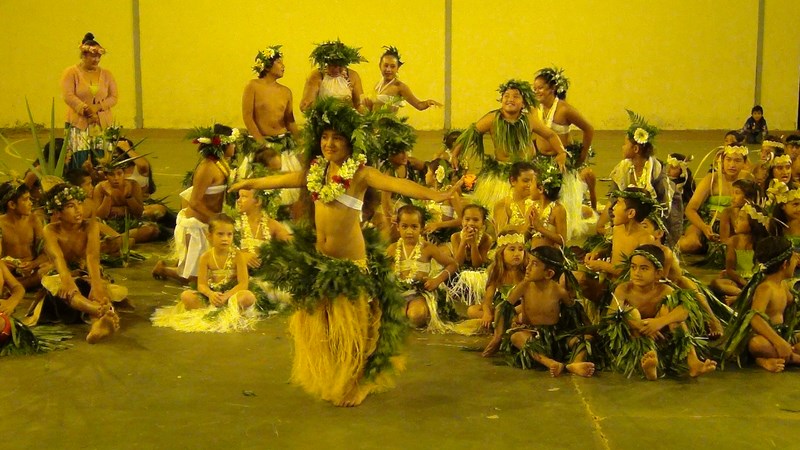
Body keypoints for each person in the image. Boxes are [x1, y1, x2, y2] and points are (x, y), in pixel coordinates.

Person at [229, 98, 461, 407]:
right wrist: (252, 182)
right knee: (327, 328)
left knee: (358, 330)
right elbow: (286, 178)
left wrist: (436, 193)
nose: (329, 143)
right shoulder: (317, 171)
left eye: (337, 138)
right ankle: (340, 375)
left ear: (350, 142)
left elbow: (399, 184)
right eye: (325, 137)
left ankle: (360, 382)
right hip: (323, 262)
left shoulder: (360, 174)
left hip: (352, 264)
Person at [603, 245, 717, 380]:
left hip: (661, 339)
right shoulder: (624, 289)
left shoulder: (665, 290)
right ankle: (648, 364)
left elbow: (684, 311)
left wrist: (659, 322)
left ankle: (693, 361)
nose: (637, 272)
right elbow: (612, 315)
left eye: (644, 268)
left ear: (658, 273)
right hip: (634, 339)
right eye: (633, 267)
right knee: (630, 312)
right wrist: (640, 325)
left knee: (672, 314)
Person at [450, 80, 567, 210]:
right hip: (501, 176)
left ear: (523, 103)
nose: (510, 99)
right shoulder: (492, 119)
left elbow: (550, 135)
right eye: (506, 96)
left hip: (527, 172)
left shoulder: (529, 120)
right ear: (501, 100)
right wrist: (455, 154)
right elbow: (469, 134)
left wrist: (561, 152)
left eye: (516, 96)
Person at [483, 245, 595, 377]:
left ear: (549, 273)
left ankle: (575, 363)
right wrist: (497, 336)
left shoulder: (559, 291)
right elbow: (504, 307)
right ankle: (550, 363)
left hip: (556, 337)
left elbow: (576, 312)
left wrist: (591, 331)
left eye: (534, 264)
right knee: (516, 337)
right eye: (529, 261)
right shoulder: (524, 286)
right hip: (532, 334)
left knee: (586, 338)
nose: (528, 267)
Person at [35, 184, 126, 343]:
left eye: (79, 204)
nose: (78, 210)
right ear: (57, 212)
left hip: (87, 270)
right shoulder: (50, 230)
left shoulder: (91, 225)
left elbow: (92, 256)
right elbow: (58, 259)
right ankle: (99, 312)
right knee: (68, 291)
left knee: (99, 289)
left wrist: (96, 284)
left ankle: (97, 325)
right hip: (60, 272)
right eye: (71, 206)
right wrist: (67, 279)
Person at [152, 125, 237, 282]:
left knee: (214, 273)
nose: (235, 147)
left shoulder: (221, 163)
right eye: (233, 143)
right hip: (196, 225)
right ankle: (163, 270)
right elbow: (195, 202)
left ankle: (179, 265)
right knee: (195, 279)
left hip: (208, 222)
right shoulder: (207, 168)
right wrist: (216, 219)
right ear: (223, 144)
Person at [152, 214, 259, 333]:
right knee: (186, 296)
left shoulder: (238, 256)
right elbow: (201, 285)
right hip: (212, 295)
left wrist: (227, 296)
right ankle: (212, 310)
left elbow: (243, 283)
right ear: (209, 236)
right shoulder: (206, 257)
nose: (225, 238)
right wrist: (211, 295)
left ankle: (227, 310)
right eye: (220, 234)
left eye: (229, 234)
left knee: (248, 297)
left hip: (231, 295)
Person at [722, 236, 800, 372]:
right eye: (795, 260)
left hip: (783, 335)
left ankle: (783, 356)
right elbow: (755, 318)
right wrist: (778, 342)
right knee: (756, 344)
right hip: (766, 338)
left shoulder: (783, 285)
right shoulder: (766, 288)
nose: (797, 262)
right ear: (784, 264)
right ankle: (781, 359)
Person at [241, 45, 302, 207]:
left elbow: (290, 120)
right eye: (280, 63)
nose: (284, 66)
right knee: (260, 190)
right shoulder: (253, 86)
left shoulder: (286, 91)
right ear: (267, 65)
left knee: (287, 190)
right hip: (261, 145)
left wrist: (301, 141)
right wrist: (262, 143)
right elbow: (248, 117)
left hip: (283, 144)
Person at [533, 67, 598, 214]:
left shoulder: (564, 109)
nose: (536, 91)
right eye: (534, 88)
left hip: (561, 160)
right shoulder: (535, 109)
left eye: (540, 88)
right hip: (540, 159)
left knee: (562, 199)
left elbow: (589, 129)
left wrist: (583, 153)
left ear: (552, 88)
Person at [387, 205, 457, 330]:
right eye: (404, 226)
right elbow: (382, 271)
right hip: (398, 293)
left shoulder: (427, 248)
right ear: (398, 227)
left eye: (414, 227)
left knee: (415, 316)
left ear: (421, 228)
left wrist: (436, 281)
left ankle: (425, 312)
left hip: (419, 293)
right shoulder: (392, 249)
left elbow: (453, 265)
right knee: (398, 316)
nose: (409, 231)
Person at [61, 33, 118, 170]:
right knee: (79, 160)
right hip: (78, 123)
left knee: (102, 161)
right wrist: (85, 109)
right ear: (84, 55)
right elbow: (68, 95)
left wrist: (97, 107)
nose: (96, 59)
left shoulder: (107, 74)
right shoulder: (71, 73)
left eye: (99, 56)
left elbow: (113, 97)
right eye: (93, 56)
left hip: (101, 124)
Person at [678, 145, 748, 254]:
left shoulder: (748, 179)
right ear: (722, 161)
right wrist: (704, 227)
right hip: (706, 221)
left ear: (744, 163)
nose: (732, 165)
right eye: (728, 160)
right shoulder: (711, 179)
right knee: (690, 244)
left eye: (737, 160)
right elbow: (690, 209)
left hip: (734, 224)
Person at [711, 203, 769, 304]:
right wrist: (743, 282)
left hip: (758, 280)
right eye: (737, 218)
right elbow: (730, 269)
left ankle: (742, 297)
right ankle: (744, 295)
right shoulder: (733, 241)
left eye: (741, 219)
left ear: (753, 224)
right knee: (716, 283)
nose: (736, 221)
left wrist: (753, 282)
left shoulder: (763, 243)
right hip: (739, 281)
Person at [469, 230, 527, 326]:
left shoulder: (526, 271)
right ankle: (498, 320)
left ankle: (503, 321)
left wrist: (511, 312)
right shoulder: (497, 271)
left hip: (520, 308)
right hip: (501, 308)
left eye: (520, 249)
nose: (517, 253)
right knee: (472, 310)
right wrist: (487, 313)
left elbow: (529, 302)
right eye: (512, 249)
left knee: (522, 317)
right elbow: (487, 301)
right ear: (501, 253)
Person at [0, 182, 50, 291]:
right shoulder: (1, 224)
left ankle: (12, 288)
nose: (30, 203)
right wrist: (3, 263)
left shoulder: (33, 220)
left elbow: (45, 253)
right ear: (12, 205)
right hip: (7, 272)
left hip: (31, 272)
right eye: (25, 199)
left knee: (47, 269)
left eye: (30, 199)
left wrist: (33, 264)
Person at [366, 46, 441, 112]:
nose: (388, 70)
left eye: (392, 66)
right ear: (380, 66)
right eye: (386, 65)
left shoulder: (400, 87)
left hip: (388, 127)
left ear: (397, 68)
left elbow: (419, 105)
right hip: (373, 126)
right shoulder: (377, 86)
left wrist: (428, 103)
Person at [300, 40, 367, 112]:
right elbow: (306, 105)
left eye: (340, 65)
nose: (336, 69)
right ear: (326, 62)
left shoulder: (353, 76)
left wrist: (362, 110)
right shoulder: (317, 76)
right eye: (333, 65)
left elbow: (359, 103)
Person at [446, 204, 492, 308]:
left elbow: (477, 264)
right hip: (460, 268)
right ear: (462, 221)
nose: (471, 223)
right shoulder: (455, 237)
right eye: (467, 219)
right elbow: (457, 262)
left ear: (483, 223)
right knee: (449, 275)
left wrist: (473, 244)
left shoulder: (486, 239)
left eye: (475, 220)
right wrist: (463, 243)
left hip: (478, 271)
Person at [493, 161, 536, 236]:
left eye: (533, 181)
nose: (530, 185)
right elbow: (501, 235)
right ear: (513, 181)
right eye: (525, 181)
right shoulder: (503, 204)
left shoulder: (538, 202)